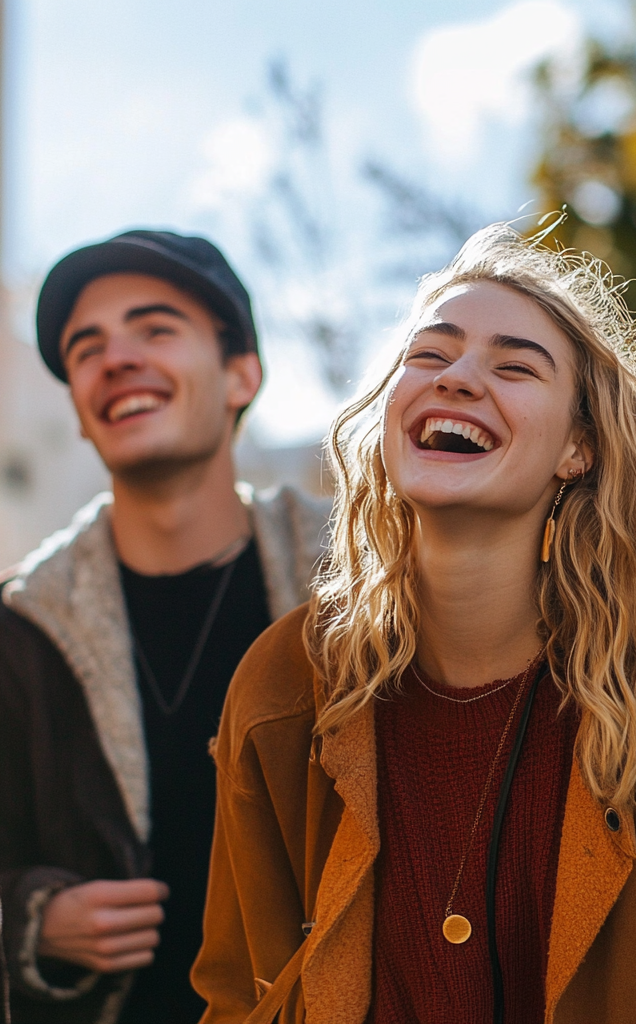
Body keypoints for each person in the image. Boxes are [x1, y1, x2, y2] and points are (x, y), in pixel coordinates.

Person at [192, 223, 636, 1024]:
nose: (456, 378)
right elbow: (236, 992)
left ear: (579, 449)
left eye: (515, 366)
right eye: (429, 355)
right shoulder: (288, 683)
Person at [0, 230, 329, 1024]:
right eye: (87, 348)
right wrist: (31, 918)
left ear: (240, 375)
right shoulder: (20, 629)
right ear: (80, 409)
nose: (116, 359)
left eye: (155, 329)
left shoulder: (355, 587)